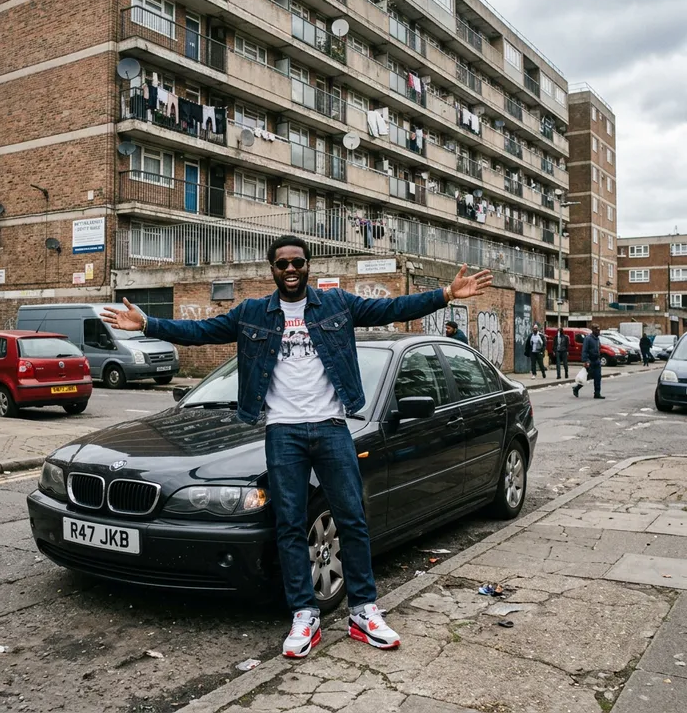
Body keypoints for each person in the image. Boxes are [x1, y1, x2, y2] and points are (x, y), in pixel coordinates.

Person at [101, 236, 493, 659]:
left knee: (351, 518)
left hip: (330, 427)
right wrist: (147, 324)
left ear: (308, 266)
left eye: (297, 262)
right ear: (272, 269)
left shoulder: (336, 305)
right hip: (282, 432)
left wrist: (448, 294)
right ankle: (305, 614)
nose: (290, 269)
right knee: (289, 525)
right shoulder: (253, 312)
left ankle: (363, 610)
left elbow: (393, 309)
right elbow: (200, 331)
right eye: (282, 264)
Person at [581, 323, 605, 399]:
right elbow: (584, 350)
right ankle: (576, 388)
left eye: (599, 330)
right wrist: (586, 361)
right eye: (597, 330)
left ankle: (597, 393)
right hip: (590, 361)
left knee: (598, 377)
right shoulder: (588, 339)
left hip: (597, 361)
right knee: (586, 377)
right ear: (593, 330)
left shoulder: (597, 339)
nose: (599, 332)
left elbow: (599, 348)